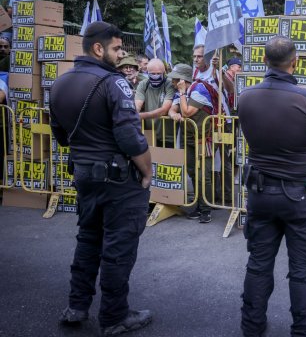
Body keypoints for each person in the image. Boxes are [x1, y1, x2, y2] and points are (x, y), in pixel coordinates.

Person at [50, 22, 153, 336]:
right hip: (118, 179)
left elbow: (60, 135)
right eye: (116, 48)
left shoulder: (61, 83)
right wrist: (148, 172)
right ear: (98, 48)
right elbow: (131, 138)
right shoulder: (114, 83)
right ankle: (114, 316)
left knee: (88, 240)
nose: (120, 54)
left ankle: (77, 306)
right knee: (118, 248)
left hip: (83, 175)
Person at [238, 37, 306, 337]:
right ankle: (305, 331)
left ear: (265, 61)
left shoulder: (246, 96)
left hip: (260, 193)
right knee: (303, 268)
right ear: (295, 62)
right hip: (298, 196)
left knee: (258, 263)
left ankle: (251, 327)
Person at [173, 62, 232, 223]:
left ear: (182, 80)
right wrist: (173, 112)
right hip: (189, 137)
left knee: (203, 174)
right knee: (192, 171)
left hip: (204, 138)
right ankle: (199, 204)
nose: (172, 82)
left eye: (175, 80)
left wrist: (182, 93)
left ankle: (205, 209)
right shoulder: (184, 91)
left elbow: (185, 112)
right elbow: (174, 109)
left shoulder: (198, 90)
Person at [135, 58, 176, 146]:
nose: (155, 76)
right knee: (151, 159)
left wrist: (140, 116)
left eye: (158, 73)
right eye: (153, 74)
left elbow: (164, 110)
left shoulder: (169, 84)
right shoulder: (143, 84)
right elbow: (137, 106)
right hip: (150, 134)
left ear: (164, 72)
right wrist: (134, 113)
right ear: (147, 72)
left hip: (168, 136)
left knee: (168, 159)